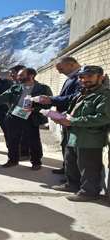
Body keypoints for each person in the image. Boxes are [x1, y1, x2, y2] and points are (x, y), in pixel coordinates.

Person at [51, 65, 110, 202]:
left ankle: (89, 192)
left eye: (89, 76)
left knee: (89, 166)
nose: (85, 80)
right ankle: (72, 184)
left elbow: (103, 117)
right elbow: (75, 111)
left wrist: (73, 121)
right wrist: (63, 117)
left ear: (100, 77)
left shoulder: (104, 95)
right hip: (75, 134)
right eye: (82, 77)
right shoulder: (84, 92)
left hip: (91, 138)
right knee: (71, 161)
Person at [0, 68, 53, 170]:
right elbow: (2, 97)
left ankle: (36, 162)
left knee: (33, 140)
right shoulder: (16, 87)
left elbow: (49, 104)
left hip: (32, 117)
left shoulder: (43, 88)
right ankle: (12, 160)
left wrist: (34, 109)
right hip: (14, 116)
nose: (18, 77)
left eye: (21, 75)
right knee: (12, 140)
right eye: (18, 75)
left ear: (31, 76)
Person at [38, 57, 82, 175]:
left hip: (73, 119)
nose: (59, 72)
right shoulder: (71, 78)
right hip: (64, 118)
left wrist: (52, 99)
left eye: (61, 68)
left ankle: (72, 176)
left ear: (71, 64)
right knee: (65, 145)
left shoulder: (81, 78)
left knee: (71, 148)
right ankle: (67, 169)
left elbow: (75, 97)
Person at [9, 65, 30, 159]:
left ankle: (25, 153)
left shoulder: (27, 84)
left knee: (24, 134)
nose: (11, 75)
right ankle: (21, 153)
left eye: (12, 73)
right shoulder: (15, 84)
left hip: (24, 112)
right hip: (16, 112)